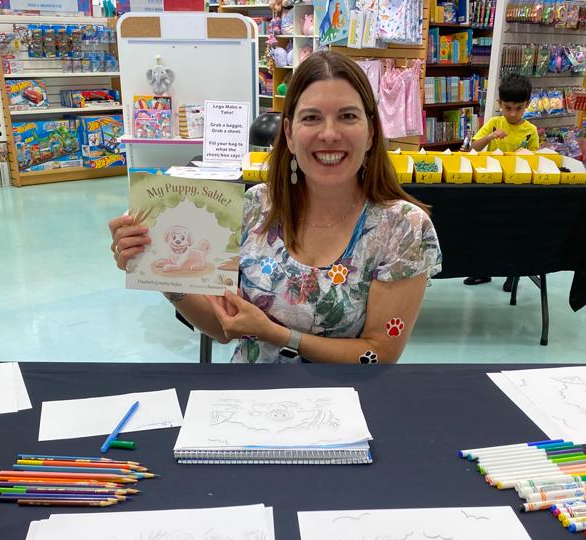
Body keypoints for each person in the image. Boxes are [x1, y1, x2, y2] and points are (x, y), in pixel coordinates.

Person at [110, 51, 441, 364]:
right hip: (249, 400)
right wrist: (163, 275)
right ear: (290, 133)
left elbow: (379, 354)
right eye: (311, 117)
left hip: (346, 405)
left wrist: (275, 334)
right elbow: (221, 327)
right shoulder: (255, 208)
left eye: (347, 116)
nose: (329, 133)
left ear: (370, 133)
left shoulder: (404, 228)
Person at [466, 73, 539, 291]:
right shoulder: (494, 123)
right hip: (493, 185)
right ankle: (483, 270)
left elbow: (535, 159)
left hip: (518, 188)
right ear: (499, 104)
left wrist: (524, 154)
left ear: (527, 104)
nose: (512, 113)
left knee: (513, 230)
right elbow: (474, 147)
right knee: (487, 228)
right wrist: (490, 137)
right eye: (507, 108)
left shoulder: (531, 130)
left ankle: (512, 272)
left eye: (518, 108)